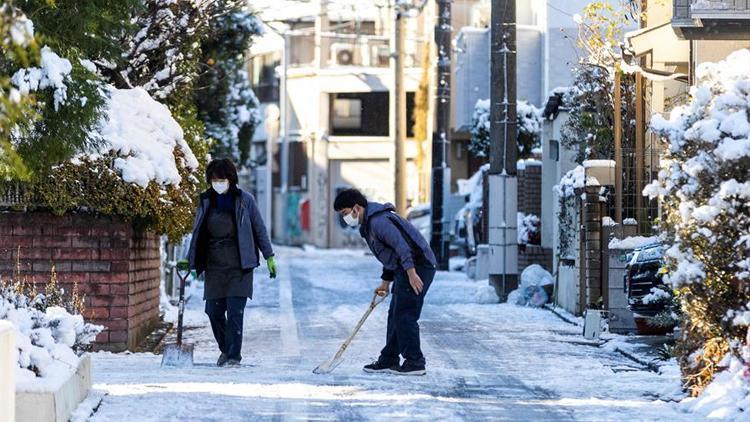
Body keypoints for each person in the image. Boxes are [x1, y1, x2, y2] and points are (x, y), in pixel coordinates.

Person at [333, 188, 437, 376]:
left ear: (357, 208)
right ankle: (389, 358)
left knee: (405, 314)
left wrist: (412, 274)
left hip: (417, 265)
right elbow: (390, 255)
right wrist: (385, 282)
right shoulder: (368, 223)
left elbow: (402, 248)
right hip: (406, 267)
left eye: (345, 213)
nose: (345, 218)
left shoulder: (379, 222)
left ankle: (415, 362)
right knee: (395, 313)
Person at [187, 158, 276, 367]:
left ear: (231, 179)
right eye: (214, 179)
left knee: (235, 311)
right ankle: (226, 350)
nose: (218, 183)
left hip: (239, 264)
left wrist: (269, 255)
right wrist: (190, 260)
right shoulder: (206, 201)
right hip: (214, 264)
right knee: (213, 311)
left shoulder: (245, 200)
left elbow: (259, 228)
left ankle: (234, 356)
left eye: (222, 179)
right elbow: (197, 231)